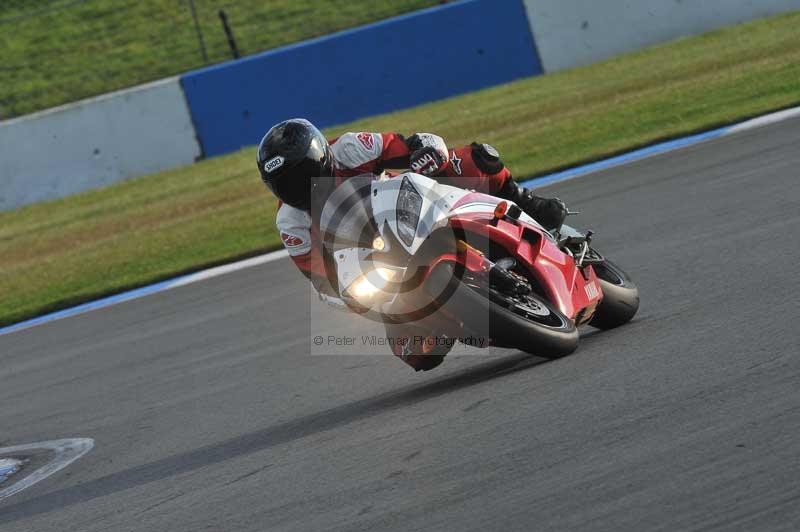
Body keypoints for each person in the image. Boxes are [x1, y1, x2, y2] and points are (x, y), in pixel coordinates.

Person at [257, 118, 567, 371]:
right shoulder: (291, 224)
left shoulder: (350, 148)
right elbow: (322, 278)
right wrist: (352, 297)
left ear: (321, 156)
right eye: (285, 184)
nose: (298, 188)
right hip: (376, 260)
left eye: (302, 175)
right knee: (418, 354)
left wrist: (424, 151)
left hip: (405, 208)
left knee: (470, 160)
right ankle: (460, 315)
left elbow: (407, 145)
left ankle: (525, 199)